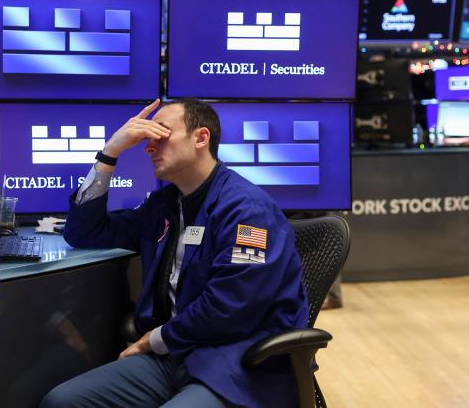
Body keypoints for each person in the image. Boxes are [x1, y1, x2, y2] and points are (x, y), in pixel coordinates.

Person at [40, 98, 309, 408]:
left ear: (201, 138)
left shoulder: (247, 210)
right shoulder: (166, 204)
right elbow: (83, 233)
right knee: (61, 401)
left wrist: (152, 340)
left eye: (162, 135)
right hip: (176, 355)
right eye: (148, 139)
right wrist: (109, 153)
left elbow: (230, 308)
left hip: (236, 363)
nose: (148, 148)